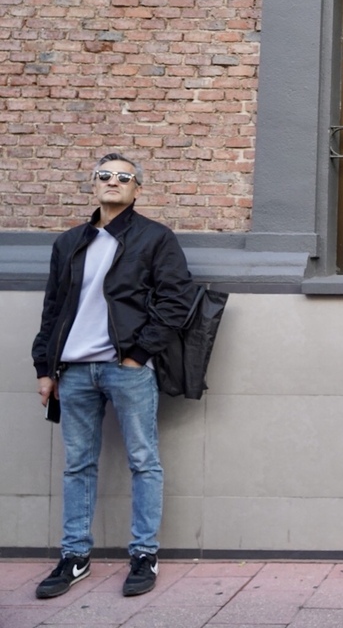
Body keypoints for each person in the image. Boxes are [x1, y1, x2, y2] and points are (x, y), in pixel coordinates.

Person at [31, 153, 194, 599]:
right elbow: (53, 309)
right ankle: (75, 556)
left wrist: (138, 355)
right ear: (93, 184)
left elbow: (176, 301)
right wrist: (45, 368)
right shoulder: (69, 242)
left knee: (144, 460)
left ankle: (144, 554)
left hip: (127, 370)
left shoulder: (155, 238)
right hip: (75, 372)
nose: (113, 182)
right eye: (105, 175)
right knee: (78, 465)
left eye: (124, 177)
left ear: (137, 190)